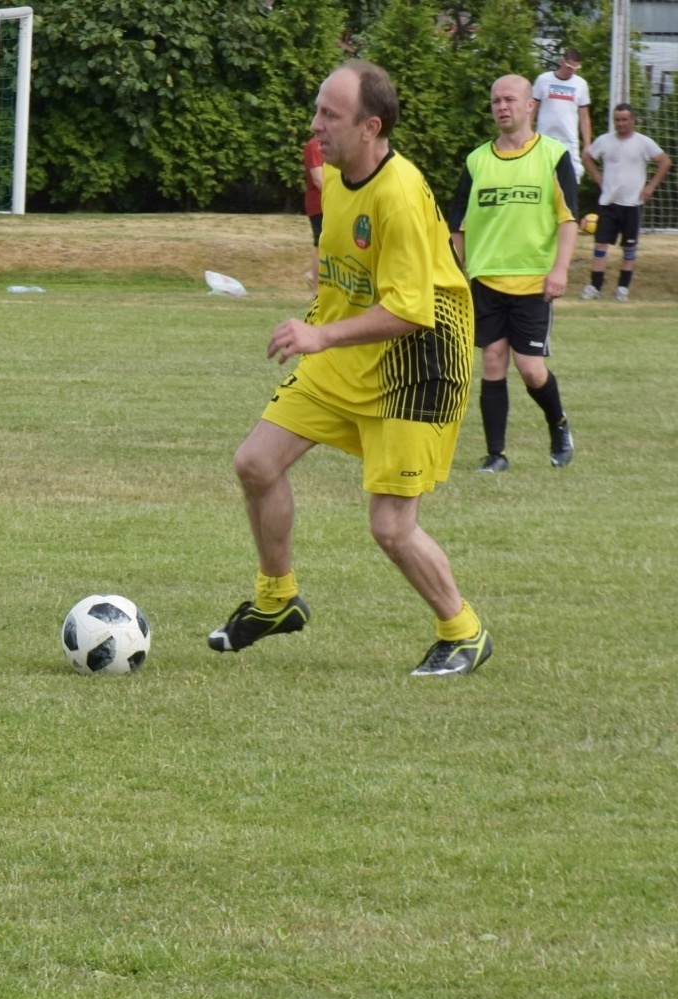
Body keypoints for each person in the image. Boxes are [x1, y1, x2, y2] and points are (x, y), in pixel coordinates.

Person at [209, 61, 490, 677]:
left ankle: (463, 631)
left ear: (371, 127)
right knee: (255, 463)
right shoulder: (335, 176)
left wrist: (320, 334)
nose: (315, 125)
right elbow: (341, 257)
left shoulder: (400, 194)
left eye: (329, 115)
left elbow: (411, 311)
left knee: (391, 526)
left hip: (419, 362)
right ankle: (277, 600)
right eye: (317, 110)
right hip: (344, 351)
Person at [448, 74, 578, 474]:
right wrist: (454, 274)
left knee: (531, 369)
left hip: (534, 280)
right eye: (495, 101)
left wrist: (560, 269)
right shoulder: (476, 161)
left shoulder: (553, 155)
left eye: (509, 99)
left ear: (530, 106)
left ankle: (559, 425)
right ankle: (496, 455)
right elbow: (457, 226)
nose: (502, 107)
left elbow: (568, 219)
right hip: (487, 279)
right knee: (492, 361)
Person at [582, 103, 671, 302]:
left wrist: (650, 187)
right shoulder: (604, 141)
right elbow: (587, 157)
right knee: (600, 245)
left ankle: (622, 288)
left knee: (629, 248)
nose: (620, 123)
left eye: (624, 120)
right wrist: (597, 177)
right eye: (617, 120)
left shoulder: (643, 142)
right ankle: (595, 287)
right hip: (608, 203)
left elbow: (665, 162)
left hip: (632, 205)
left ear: (632, 120)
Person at [532, 49, 593, 182]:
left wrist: (587, 144)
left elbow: (584, 116)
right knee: (542, 177)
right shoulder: (543, 80)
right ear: (562, 62)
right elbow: (532, 109)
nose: (572, 71)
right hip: (545, 137)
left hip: (569, 139)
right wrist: (527, 134)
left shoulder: (581, 84)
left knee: (571, 177)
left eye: (576, 68)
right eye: (569, 67)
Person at [303, 135, 325, 288]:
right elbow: (318, 179)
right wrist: (337, 197)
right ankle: (315, 282)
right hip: (319, 205)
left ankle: (315, 277)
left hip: (329, 204)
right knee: (322, 244)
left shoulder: (331, 144)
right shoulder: (314, 146)